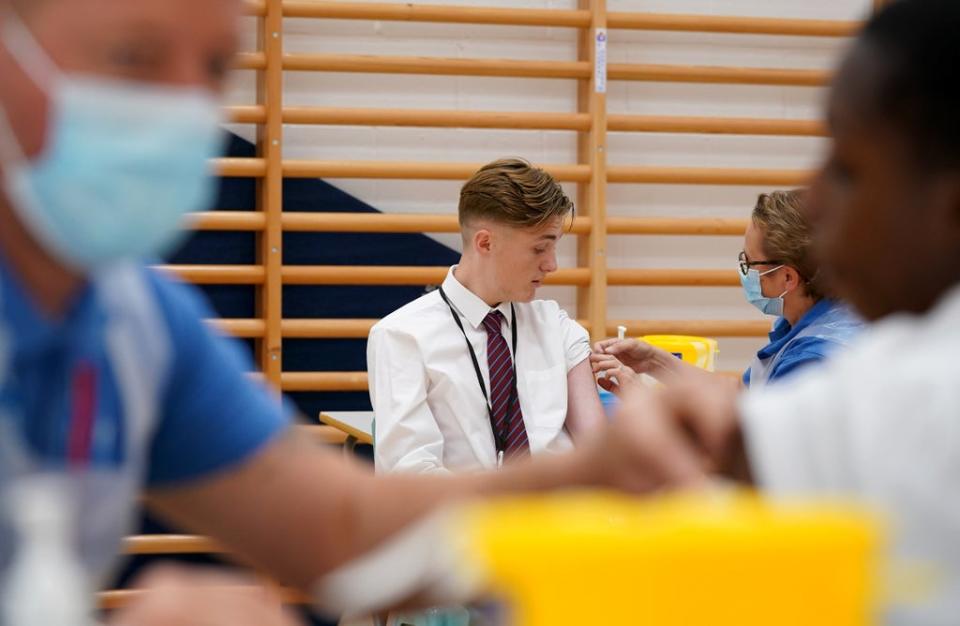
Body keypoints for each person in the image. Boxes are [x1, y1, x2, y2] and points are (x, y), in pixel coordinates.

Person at [0, 2, 702, 625]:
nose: (186, 106)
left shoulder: (141, 327)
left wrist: (609, 468)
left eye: (216, 66)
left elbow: (343, 530)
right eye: (133, 56)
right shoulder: (405, 332)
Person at [615, 1, 960, 623]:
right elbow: (757, 419)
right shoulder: (855, 345)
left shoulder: (850, 358)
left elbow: (750, 495)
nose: (820, 197)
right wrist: (660, 368)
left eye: (848, 167)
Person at [368, 158, 606, 473]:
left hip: (565, 516)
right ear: (485, 243)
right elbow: (410, 472)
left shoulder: (556, 326)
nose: (552, 265)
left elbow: (600, 453)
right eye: (539, 249)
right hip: (469, 518)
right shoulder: (401, 336)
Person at [591, 189, 863, 390]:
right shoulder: (814, 319)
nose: (743, 269)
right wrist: (653, 361)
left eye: (749, 261)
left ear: (788, 279)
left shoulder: (812, 362)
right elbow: (742, 399)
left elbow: (747, 450)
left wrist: (640, 400)